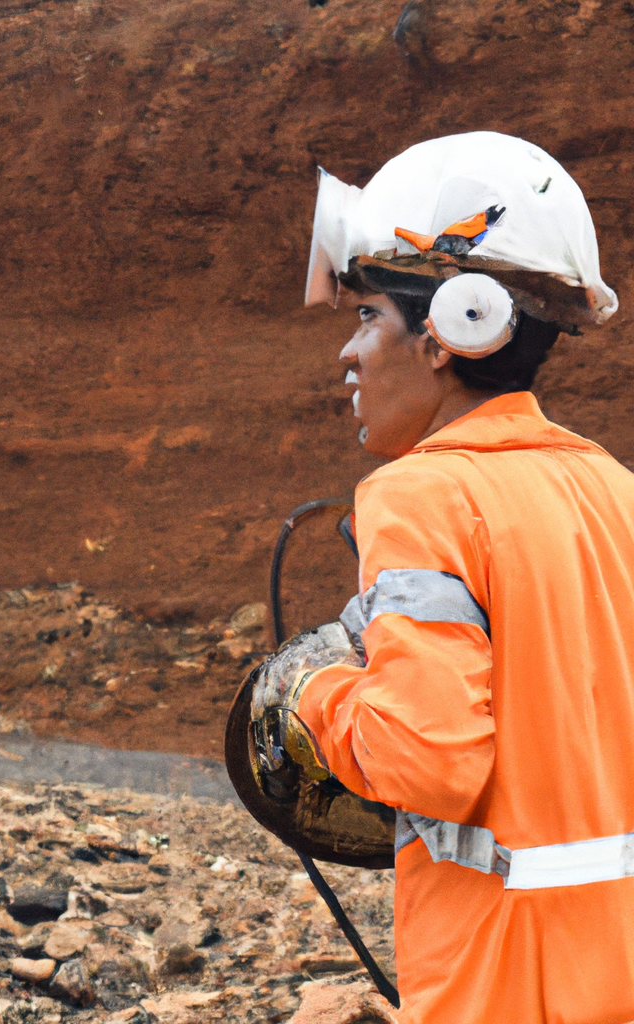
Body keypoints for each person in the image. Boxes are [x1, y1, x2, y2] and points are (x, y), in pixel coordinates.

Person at [249, 132, 634, 1023]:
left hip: (505, 980)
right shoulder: (614, 489)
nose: (349, 355)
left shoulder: (422, 493)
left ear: (450, 329)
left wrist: (315, 697)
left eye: (365, 317)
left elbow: (427, 759)